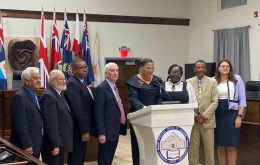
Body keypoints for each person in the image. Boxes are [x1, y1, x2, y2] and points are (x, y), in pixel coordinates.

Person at [126, 58, 162, 165]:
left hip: (155, 116)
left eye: (152, 68)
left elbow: (160, 96)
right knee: (139, 143)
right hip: (139, 116)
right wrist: (143, 108)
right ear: (141, 68)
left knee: (154, 142)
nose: (150, 70)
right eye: (147, 68)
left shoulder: (157, 80)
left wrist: (158, 108)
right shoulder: (133, 81)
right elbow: (133, 98)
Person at [215, 59, 246, 165]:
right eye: (222, 66)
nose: (225, 68)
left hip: (232, 113)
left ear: (230, 68)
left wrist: (239, 116)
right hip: (218, 114)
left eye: (227, 66)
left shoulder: (237, 79)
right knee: (220, 144)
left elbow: (242, 98)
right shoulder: (213, 80)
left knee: (232, 144)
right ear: (218, 68)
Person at [94, 62, 127, 165]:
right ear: (106, 73)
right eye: (112, 71)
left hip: (115, 130)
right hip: (107, 132)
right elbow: (98, 113)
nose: (115, 73)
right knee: (104, 159)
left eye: (117, 70)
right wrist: (101, 133)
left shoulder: (114, 87)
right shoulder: (102, 88)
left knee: (109, 158)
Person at [187, 60, 218, 165]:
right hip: (193, 120)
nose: (200, 69)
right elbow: (187, 101)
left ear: (206, 69)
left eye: (202, 67)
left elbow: (215, 101)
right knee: (193, 149)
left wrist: (203, 116)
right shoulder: (188, 82)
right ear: (194, 69)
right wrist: (196, 116)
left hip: (208, 121)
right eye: (198, 67)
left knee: (209, 149)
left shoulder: (213, 82)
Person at [64, 59, 95, 165]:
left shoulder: (81, 83)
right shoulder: (72, 84)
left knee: (80, 157)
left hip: (82, 129)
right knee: (76, 158)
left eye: (86, 67)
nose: (85, 69)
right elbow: (78, 110)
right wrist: (84, 131)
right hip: (78, 131)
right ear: (73, 70)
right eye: (82, 68)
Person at [40, 70, 73, 165]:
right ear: (52, 81)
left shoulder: (58, 94)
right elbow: (50, 123)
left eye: (64, 79)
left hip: (61, 143)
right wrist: (55, 144)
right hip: (54, 145)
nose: (64, 81)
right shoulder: (48, 96)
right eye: (60, 79)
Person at [10, 67, 42, 158]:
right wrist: (27, 145)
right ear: (26, 81)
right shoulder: (19, 97)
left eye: (39, 78)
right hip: (26, 146)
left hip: (36, 143)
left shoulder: (34, 95)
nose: (39, 80)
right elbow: (21, 124)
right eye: (36, 78)